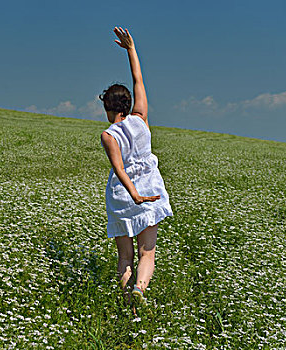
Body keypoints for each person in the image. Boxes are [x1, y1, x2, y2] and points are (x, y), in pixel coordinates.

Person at [100, 27, 173, 311]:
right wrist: (131, 48)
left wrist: (132, 194)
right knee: (148, 252)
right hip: (149, 190)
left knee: (124, 257)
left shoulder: (109, 135)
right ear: (127, 105)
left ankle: (124, 299)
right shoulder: (141, 119)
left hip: (122, 196)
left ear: (107, 107)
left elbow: (119, 169)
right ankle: (139, 292)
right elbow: (138, 79)